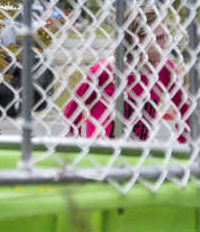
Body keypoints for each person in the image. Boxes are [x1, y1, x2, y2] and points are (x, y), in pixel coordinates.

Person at [63, 8, 191, 143]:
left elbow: (184, 108)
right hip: (102, 151)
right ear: (137, 40)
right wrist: (76, 142)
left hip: (138, 151)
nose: (166, 44)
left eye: (166, 36)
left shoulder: (165, 69)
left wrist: (183, 143)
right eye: (159, 38)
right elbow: (73, 109)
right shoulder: (105, 71)